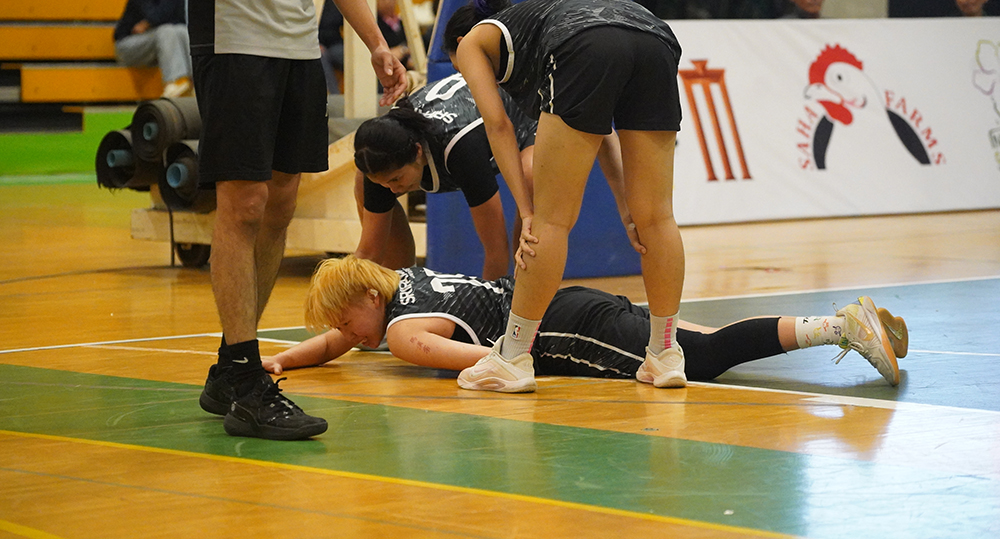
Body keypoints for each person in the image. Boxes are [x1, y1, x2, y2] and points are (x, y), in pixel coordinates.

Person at [188, 0, 408, 441]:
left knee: (281, 204)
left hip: (297, 45)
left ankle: (230, 367)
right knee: (243, 204)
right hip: (233, 38)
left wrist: (376, 42)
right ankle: (246, 378)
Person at [441, 0, 685, 393]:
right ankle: (664, 354)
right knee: (657, 217)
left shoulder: (472, 43)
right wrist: (626, 207)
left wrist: (527, 210)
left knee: (552, 221)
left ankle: (512, 358)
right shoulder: (538, 24)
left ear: (458, 43)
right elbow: (600, 131)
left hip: (586, 43)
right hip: (655, 37)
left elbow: (497, 126)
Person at [263, 256, 906, 388]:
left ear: (364, 295)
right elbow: (339, 340)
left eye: (344, 318)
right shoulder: (406, 281)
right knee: (700, 342)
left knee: (701, 361)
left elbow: (496, 362)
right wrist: (287, 358)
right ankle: (850, 322)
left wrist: (486, 378)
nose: (348, 333)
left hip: (561, 333)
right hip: (567, 302)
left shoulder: (404, 334)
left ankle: (841, 327)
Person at [354, 73, 537, 280]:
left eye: (396, 179)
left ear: (417, 151)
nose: (393, 189)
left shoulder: (462, 149)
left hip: (526, 112)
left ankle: (524, 289)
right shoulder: (381, 149)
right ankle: (402, 286)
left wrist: (488, 299)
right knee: (363, 182)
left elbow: (496, 249)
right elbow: (368, 253)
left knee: (532, 176)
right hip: (463, 123)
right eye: (384, 183)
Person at [113, 0, 192, 98]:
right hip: (129, 46)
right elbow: (154, 16)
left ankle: (195, 83)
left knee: (182, 31)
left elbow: (180, 20)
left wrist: (148, 24)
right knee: (167, 31)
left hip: (156, 43)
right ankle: (174, 81)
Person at [318, 0, 345, 95]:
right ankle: (333, 96)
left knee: (353, 56)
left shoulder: (335, 0)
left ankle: (373, 92)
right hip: (316, 44)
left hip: (335, 43)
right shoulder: (311, 0)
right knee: (319, 56)